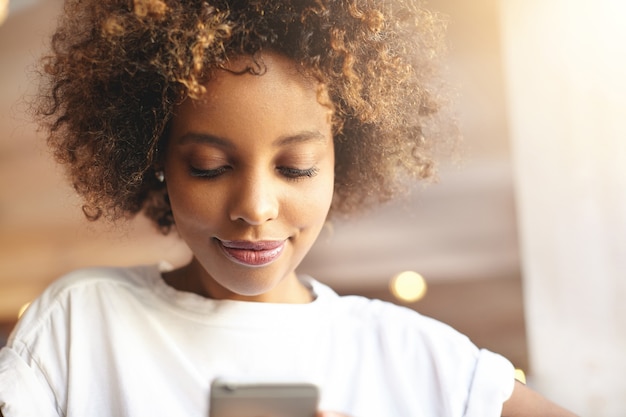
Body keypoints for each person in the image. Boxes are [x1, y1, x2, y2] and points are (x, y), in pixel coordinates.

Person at [0, 0, 577, 416]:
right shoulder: (79, 324)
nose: (255, 207)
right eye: (208, 166)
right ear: (156, 162)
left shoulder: (416, 358)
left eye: (296, 167)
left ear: (340, 163)